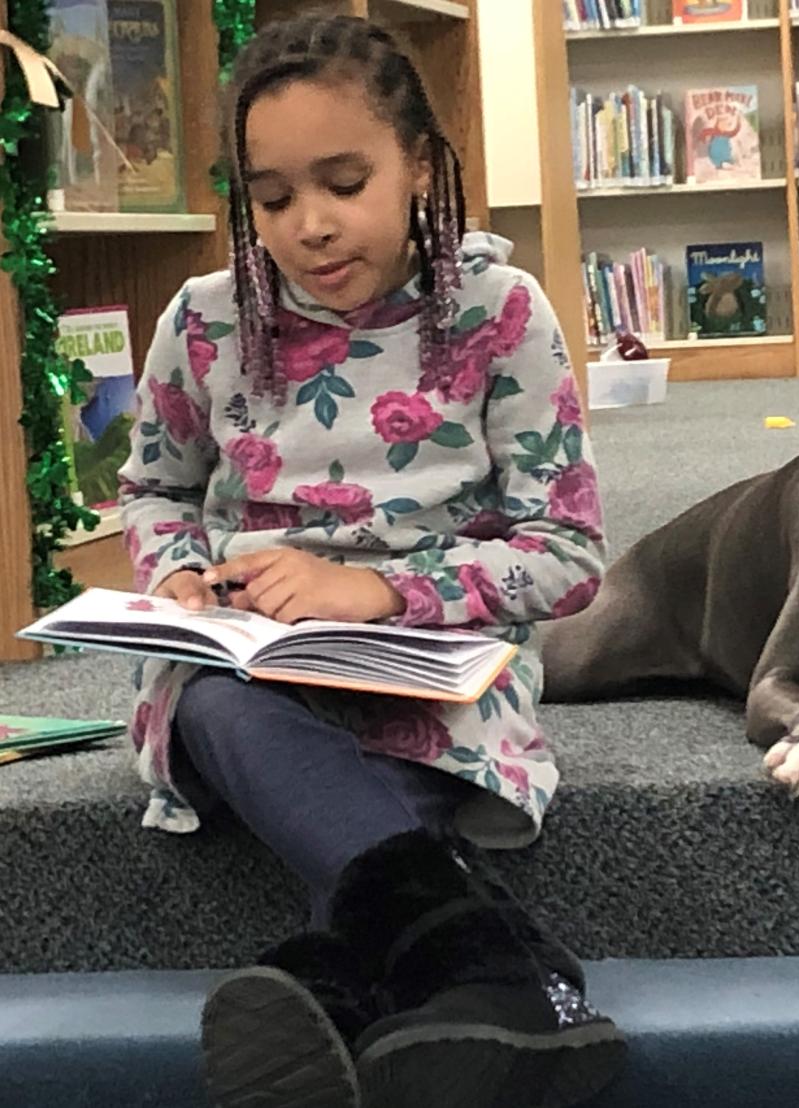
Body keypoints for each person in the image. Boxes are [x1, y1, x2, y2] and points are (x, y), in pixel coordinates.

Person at [116, 14, 623, 1108]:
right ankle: (500, 966)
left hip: (436, 673)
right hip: (252, 669)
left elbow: (568, 550)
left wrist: (383, 588)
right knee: (212, 703)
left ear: (423, 167)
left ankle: (335, 988)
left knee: (389, 764)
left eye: (346, 181)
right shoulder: (203, 322)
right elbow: (155, 489)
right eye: (273, 197)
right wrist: (178, 576)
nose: (311, 225)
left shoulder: (501, 313)